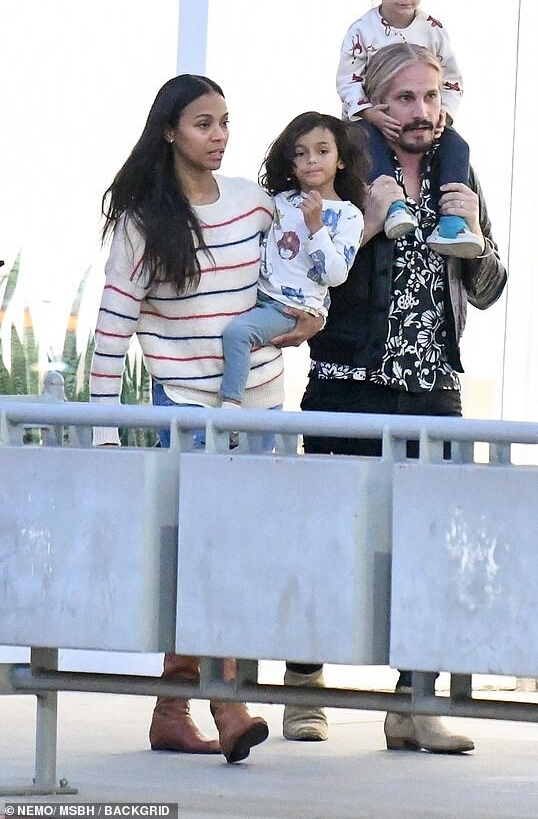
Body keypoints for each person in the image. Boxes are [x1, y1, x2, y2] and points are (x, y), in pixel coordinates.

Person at [89, 73, 322, 763]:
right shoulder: (141, 223)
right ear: (169, 131)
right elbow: (110, 332)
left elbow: (299, 271)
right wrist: (102, 434)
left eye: (224, 122)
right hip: (188, 412)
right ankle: (227, 703)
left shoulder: (253, 204)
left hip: (263, 410)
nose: (219, 136)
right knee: (208, 554)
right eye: (203, 123)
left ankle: (171, 709)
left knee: (238, 556)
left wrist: (310, 317)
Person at [283, 43, 507, 752]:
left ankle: (414, 704)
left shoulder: (457, 170)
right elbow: (301, 270)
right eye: (406, 98)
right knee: (329, 538)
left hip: (434, 391)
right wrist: (372, 221)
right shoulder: (344, 169)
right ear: (376, 102)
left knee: (429, 549)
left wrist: (476, 239)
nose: (422, 112)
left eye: (431, 96)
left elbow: (490, 289)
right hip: (348, 383)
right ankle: (303, 686)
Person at [336, 0, 483, 257]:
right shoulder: (362, 31)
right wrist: (368, 112)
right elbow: (347, 79)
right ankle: (393, 206)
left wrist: (445, 113)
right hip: (366, 120)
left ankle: (453, 223)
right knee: (365, 140)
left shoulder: (433, 29)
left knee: (458, 144)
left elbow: (453, 79)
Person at [219, 112, 365, 436]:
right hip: (254, 291)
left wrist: (316, 227)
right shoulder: (279, 201)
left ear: (341, 159)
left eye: (322, 151)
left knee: (237, 335)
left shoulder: (349, 215)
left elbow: (336, 275)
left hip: (288, 307)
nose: (311, 159)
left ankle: (229, 415)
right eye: (301, 153)